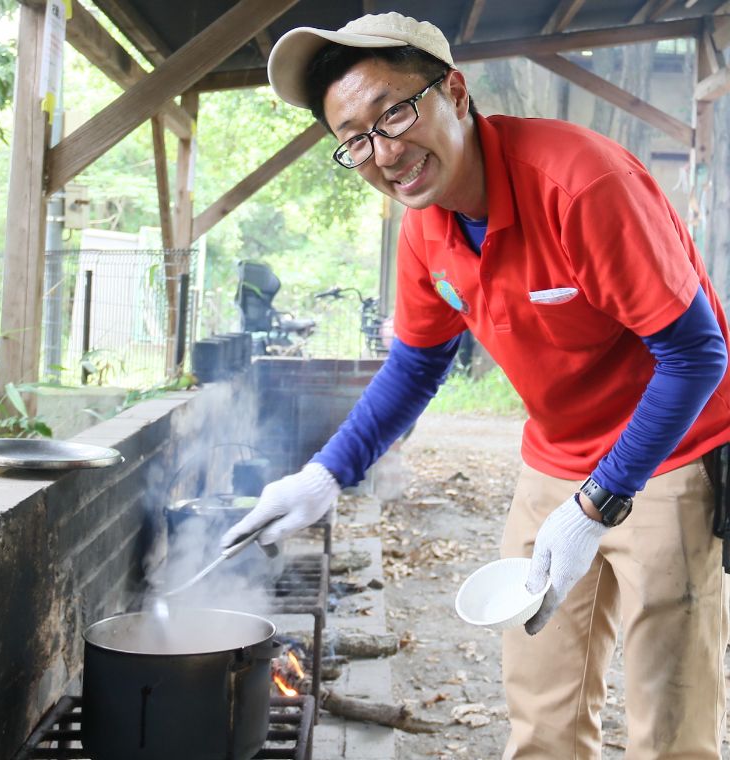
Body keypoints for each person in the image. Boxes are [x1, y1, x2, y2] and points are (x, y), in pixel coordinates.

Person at [220, 12, 730, 759]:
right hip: (554, 460)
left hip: (672, 452)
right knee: (542, 703)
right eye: (355, 138)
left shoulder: (582, 184)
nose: (384, 152)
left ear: (454, 91)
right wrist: (326, 473)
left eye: (394, 112)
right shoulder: (425, 229)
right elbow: (417, 363)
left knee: (669, 715)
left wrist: (600, 501)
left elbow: (696, 354)